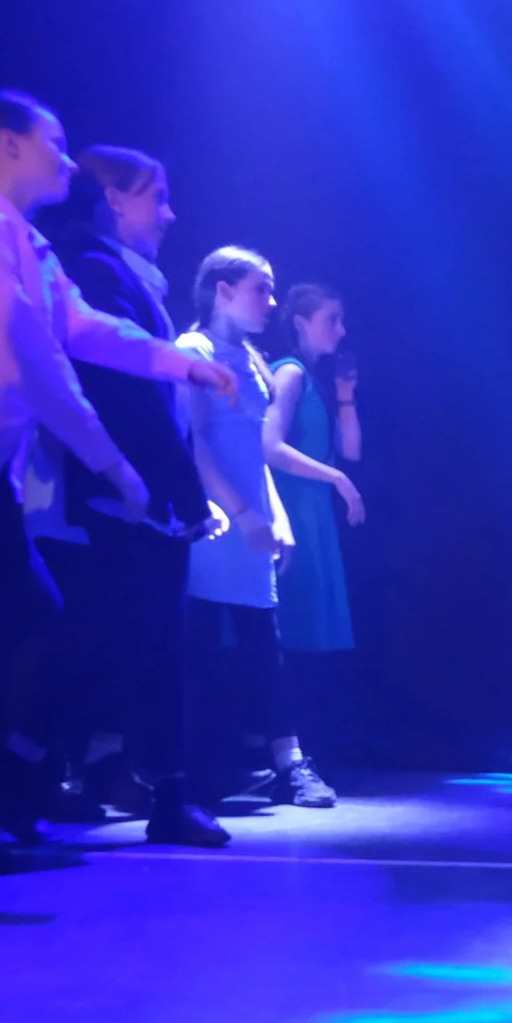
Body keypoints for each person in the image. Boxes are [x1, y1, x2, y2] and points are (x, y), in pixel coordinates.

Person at [0, 93, 235, 876]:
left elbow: (85, 329)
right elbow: (40, 367)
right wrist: (119, 471)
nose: (68, 162)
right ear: (8, 146)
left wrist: (182, 361)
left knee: (6, 616)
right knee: (20, 607)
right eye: (54, 145)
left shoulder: (24, 242)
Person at [20, 144, 230, 848]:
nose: (168, 213)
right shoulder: (93, 269)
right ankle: (146, 790)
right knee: (131, 645)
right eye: (156, 195)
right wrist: (180, 491)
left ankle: (39, 774)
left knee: (117, 646)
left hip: (129, 490)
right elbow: (127, 395)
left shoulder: (110, 271)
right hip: (122, 493)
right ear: (114, 197)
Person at [180, 246, 335, 809]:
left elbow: (254, 452)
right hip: (210, 523)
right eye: (259, 289)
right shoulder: (192, 351)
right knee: (201, 642)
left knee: (259, 641)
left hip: (247, 523)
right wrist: (239, 514)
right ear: (223, 290)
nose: (270, 301)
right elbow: (194, 444)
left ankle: (286, 763)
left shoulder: (249, 359)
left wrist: (277, 518)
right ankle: (189, 767)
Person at [265, 284, 364, 750]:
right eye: (332, 319)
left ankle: (299, 745)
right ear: (301, 321)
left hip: (314, 512)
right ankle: (278, 746)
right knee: (289, 628)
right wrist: (338, 481)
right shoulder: (289, 373)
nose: (341, 331)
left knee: (307, 632)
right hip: (294, 508)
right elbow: (271, 446)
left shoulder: (314, 377)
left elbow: (351, 450)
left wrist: (345, 394)